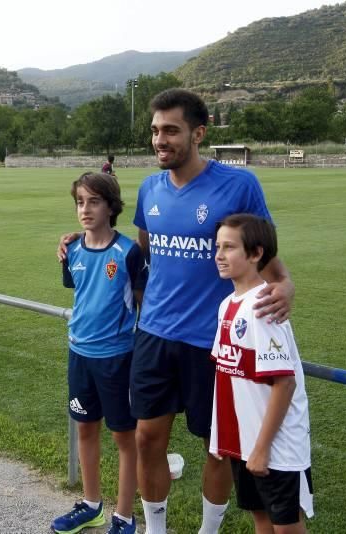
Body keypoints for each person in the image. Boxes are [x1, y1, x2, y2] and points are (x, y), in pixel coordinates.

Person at [59, 89, 295, 534]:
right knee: (147, 439)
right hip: (153, 336)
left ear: (198, 133)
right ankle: (156, 529)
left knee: (217, 447)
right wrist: (79, 245)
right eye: (154, 131)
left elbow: (268, 258)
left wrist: (286, 285)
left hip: (213, 341)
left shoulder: (238, 185)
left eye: (170, 130)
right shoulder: (151, 188)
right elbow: (141, 261)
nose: (159, 139)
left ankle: (208, 531)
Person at [52, 172, 146, 534]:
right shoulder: (71, 249)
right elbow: (79, 291)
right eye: (79, 202)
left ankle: (124, 517)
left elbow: (141, 307)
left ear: (111, 206)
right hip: (79, 354)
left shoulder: (128, 252)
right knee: (85, 430)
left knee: (124, 437)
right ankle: (91, 506)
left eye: (94, 201)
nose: (85, 209)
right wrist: (67, 243)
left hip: (117, 358)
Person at [211, 214, 313, 533]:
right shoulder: (227, 303)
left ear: (256, 254)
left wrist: (262, 448)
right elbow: (228, 370)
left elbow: (284, 383)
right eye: (217, 246)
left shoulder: (264, 307)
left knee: (286, 525)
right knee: (260, 517)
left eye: (229, 247)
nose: (219, 255)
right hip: (245, 441)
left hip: (276, 448)